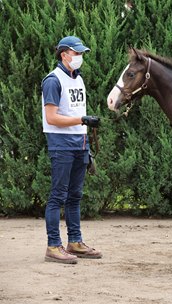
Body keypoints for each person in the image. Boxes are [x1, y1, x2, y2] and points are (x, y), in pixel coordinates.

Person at [41, 36, 102, 264]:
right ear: (64, 54)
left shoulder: (78, 79)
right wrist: (82, 119)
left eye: (81, 53)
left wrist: (84, 133)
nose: (80, 57)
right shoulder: (52, 80)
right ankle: (53, 246)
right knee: (58, 196)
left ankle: (74, 242)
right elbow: (51, 117)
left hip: (79, 144)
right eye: (77, 53)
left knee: (75, 196)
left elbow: (74, 113)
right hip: (61, 145)